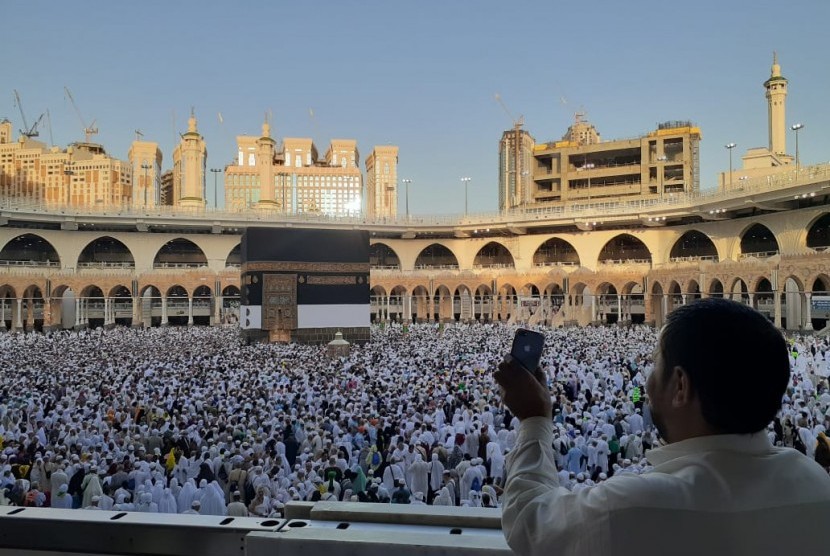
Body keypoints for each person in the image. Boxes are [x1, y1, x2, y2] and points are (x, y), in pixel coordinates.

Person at [495, 298, 830, 556]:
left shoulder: (632, 505)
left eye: (656, 364)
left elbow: (529, 521)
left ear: (680, 386)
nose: (648, 378)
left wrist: (535, 418)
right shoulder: (815, 485)